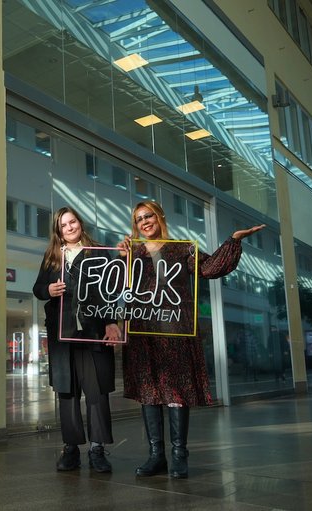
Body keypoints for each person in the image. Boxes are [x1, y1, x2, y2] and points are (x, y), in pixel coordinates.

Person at [118, 200, 264, 479]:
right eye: (139, 219)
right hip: (143, 331)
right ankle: (155, 455)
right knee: (149, 393)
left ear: (160, 216)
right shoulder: (131, 253)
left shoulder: (183, 248)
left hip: (175, 332)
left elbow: (210, 269)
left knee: (176, 392)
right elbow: (118, 288)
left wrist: (232, 241)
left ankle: (178, 454)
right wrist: (122, 258)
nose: (145, 222)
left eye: (148, 216)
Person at [33, 206, 122, 473]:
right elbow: (38, 289)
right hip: (63, 336)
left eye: (72, 222)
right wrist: (48, 289)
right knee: (67, 392)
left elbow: (111, 291)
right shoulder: (52, 258)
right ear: (58, 231)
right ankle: (71, 449)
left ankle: (97, 449)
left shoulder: (100, 254)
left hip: (93, 333)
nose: (69, 227)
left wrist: (111, 322)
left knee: (97, 392)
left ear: (80, 223)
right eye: (64, 225)